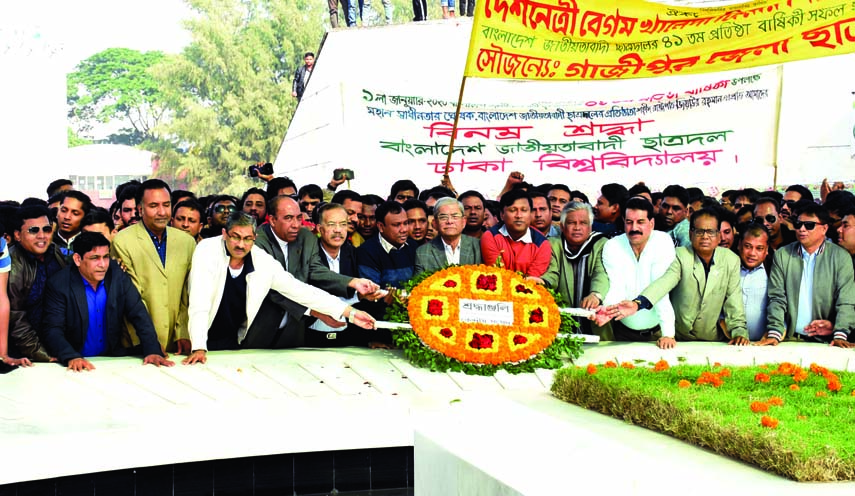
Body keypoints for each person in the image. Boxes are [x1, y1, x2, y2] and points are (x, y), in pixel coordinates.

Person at [183, 212, 376, 364]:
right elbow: (200, 302)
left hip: (234, 339)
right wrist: (199, 346)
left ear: (254, 238)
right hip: (198, 337)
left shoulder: (262, 260)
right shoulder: (207, 250)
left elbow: (300, 290)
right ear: (224, 234)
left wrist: (349, 312)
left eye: (247, 239)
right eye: (235, 237)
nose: (241, 245)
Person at [250, 195, 378, 348]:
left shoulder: (305, 237)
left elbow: (316, 270)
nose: (296, 225)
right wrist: (316, 312)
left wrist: (353, 282)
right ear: (272, 220)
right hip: (260, 329)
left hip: (293, 333)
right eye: (288, 218)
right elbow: (276, 289)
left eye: (298, 218)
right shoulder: (257, 242)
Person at [609, 208, 749, 344]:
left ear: (719, 236)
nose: (705, 236)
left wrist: (739, 333)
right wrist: (637, 304)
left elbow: (734, 301)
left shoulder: (731, 260)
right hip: (677, 338)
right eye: (699, 231)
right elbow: (664, 283)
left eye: (710, 232)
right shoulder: (680, 255)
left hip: (711, 339)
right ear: (690, 234)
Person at [40, 233, 173, 371]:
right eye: (95, 258)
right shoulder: (59, 284)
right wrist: (71, 356)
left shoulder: (117, 274)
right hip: (77, 361)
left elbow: (138, 313)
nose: (102, 264)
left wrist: (152, 350)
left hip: (111, 360)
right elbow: (53, 329)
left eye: (106, 257)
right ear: (78, 259)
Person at [111, 179, 197, 354]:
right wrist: (147, 341)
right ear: (140, 209)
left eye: (166, 205)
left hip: (178, 342)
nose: (162, 212)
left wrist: (183, 332)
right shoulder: (123, 241)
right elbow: (131, 296)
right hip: (138, 342)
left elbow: (187, 295)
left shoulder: (186, 242)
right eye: (154, 206)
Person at [759, 204, 855, 347]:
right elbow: (776, 297)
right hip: (788, 340)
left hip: (825, 342)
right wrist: (774, 332)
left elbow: (846, 300)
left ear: (824, 228)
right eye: (798, 224)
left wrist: (840, 333)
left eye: (809, 225)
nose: (802, 229)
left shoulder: (840, 257)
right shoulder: (783, 255)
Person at [597, 197, 677, 349]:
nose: (634, 228)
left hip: (659, 334)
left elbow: (660, 288)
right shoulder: (612, 246)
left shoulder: (663, 242)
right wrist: (607, 310)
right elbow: (616, 286)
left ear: (651, 223)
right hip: (622, 332)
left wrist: (668, 333)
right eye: (629, 222)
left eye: (640, 222)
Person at [308, 203, 384, 347]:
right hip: (308, 336)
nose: (338, 230)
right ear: (319, 228)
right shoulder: (308, 255)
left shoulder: (354, 254)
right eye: (331, 224)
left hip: (347, 337)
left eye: (343, 224)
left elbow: (355, 298)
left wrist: (362, 295)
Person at [8, 206, 68, 362]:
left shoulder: (56, 253)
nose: (42, 236)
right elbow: (15, 318)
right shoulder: (11, 266)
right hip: (23, 356)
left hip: (56, 346)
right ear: (17, 235)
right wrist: (43, 355)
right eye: (33, 230)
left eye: (47, 229)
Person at [542, 202, 610, 338]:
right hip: (562, 325)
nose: (577, 228)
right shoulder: (553, 244)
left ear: (590, 227)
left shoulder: (601, 243)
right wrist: (543, 282)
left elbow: (600, 272)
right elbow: (552, 273)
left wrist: (596, 294)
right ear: (562, 226)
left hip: (595, 325)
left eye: (583, 223)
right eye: (572, 223)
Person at [480, 189, 551, 281]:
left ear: (530, 213)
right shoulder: (490, 236)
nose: (519, 215)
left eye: (524, 210)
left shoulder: (542, 244)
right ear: (502, 215)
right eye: (513, 210)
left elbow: (531, 281)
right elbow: (498, 276)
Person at [415, 197, 482, 274]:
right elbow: (419, 284)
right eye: (443, 217)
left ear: (464, 222)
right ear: (435, 223)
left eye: (455, 216)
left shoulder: (478, 246)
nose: (449, 221)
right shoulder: (422, 252)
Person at [738, 224, 770, 341]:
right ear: (739, 245)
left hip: (764, 345)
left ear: (766, 250)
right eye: (748, 246)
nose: (752, 253)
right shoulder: (730, 267)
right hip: (730, 342)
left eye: (759, 248)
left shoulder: (772, 269)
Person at [54, 191, 92, 255]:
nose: (67, 217)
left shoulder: (89, 244)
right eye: (63, 211)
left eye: (75, 213)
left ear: (85, 217)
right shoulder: (48, 241)